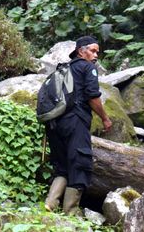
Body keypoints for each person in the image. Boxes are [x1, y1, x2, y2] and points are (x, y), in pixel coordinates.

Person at [44, 35, 112, 215]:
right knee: (80, 164)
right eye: (93, 50)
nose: (96, 55)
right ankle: (71, 212)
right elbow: (92, 96)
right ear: (81, 51)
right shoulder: (87, 67)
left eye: (98, 51)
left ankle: (50, 203)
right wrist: (105, 118)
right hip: (75, 121)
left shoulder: (63, 69)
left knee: (62, 166)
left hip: (54, 123)